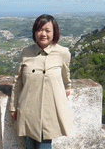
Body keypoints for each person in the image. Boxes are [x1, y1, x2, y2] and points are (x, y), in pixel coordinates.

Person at [10, 14, 73, 149]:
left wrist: (66, 90)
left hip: (48, 112)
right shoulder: (26, 52)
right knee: (29, 146)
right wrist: (13, 107)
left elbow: (65, 77)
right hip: (27, 110)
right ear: (34, 32)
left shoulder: (63, 52)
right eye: (39, 30)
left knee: (44, 146)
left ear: (54, 32)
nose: (43, 34)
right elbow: (18, 81)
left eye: (47, 30)